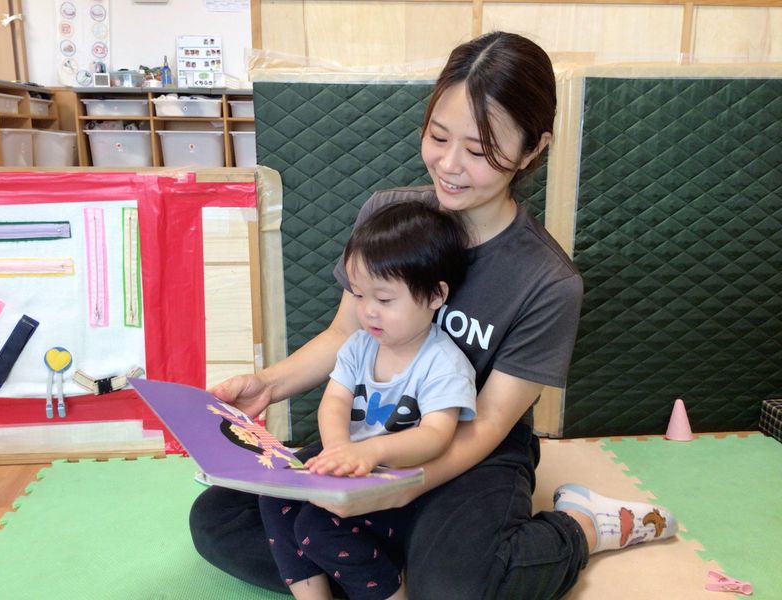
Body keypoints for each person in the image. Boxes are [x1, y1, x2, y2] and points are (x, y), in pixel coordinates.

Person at [190, 31, 678, 599]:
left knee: (454, 588)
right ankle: (391, 560)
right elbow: (346, 333)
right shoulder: (388, 214)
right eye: (438, 136)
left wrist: (406, 484)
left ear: (531, 150)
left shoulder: (549, 282)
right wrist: (268, 386)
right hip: (374, 428)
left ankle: (581, 526)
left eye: (479, 150)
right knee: (220, 520)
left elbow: (488, 423)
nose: (449, 165)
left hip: (471, 450)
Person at [258, 201, 477, 600]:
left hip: (402, 480)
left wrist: (370, 452)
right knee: (275, 493)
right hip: (354, 458)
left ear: (435, 295)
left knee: (316, 529)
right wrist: (338, 448)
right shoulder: (360, 346)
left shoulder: (443, 362)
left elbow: (436, 435)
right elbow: (334, 402)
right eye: (360, 295)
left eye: (385, 299)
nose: (369, 311)